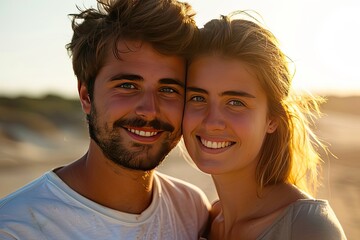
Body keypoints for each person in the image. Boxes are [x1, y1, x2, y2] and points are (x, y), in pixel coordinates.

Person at [0, 0, 210, 239]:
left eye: (169, 90)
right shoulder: (15, 228)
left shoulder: (191, 209)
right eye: (128, 85)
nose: (150, 110)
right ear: (86, 96)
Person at [182, 13, 347, 239]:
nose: (211, 122)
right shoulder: (206, 221)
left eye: (235, 102)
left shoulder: (307, 227)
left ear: (272, 120)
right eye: (198, 98)